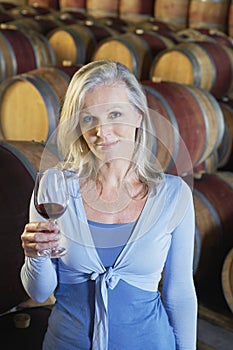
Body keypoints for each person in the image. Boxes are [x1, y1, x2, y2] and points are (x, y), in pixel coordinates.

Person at [20, 60, 197, 350]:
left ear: (139, 116)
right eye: (89, 118)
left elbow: (179, 294)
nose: (102, 131)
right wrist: (34, 256)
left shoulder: (173, 195)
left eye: (115, 114)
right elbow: (40, 293)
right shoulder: (55, 189)